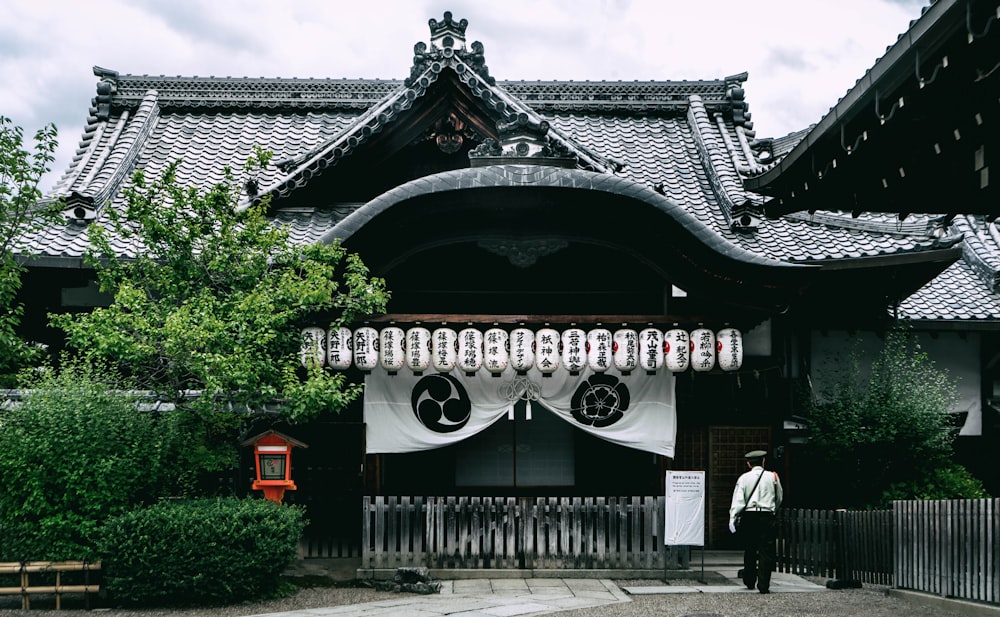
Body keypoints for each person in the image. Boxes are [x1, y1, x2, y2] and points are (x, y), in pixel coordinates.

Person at [729, 449, 783, 593]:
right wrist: (772, 509)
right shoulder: (773, 477)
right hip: (767, 515)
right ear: (763, 461)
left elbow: (738, 500)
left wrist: (733, 518)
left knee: (750, 548)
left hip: (750, 516)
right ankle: (764, 584)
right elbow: (779, 498)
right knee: (767, 551)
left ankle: (750, 580)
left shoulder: (743, 478)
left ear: (748, 463)